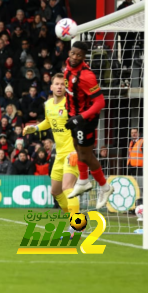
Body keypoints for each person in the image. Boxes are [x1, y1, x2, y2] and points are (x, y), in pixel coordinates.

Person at [62, 42, 113, 208]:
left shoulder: (87, 76)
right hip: (73, 116)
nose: (75, 57)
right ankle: (83, 180)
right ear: (69, 53)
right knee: (77, 149)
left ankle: (105, 187)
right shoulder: (67, 67)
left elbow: (100, 102)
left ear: (84, 57)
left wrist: (80, 118)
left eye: (79, 55)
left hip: (86, 120)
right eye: (73, 53)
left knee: (85, 156)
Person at [24, 73, 81, 218]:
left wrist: (77, 151)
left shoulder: (70, 104)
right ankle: (73, 221)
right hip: (59, 153)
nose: (60, 86)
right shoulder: (48, 104)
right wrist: (36, 128)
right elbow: (49, 122)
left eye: (62, 84)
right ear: (51, 87)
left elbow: (81, 127)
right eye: (57, 84)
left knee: (68, 187)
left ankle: (78, 224)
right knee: (55, 192)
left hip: (72, 152)